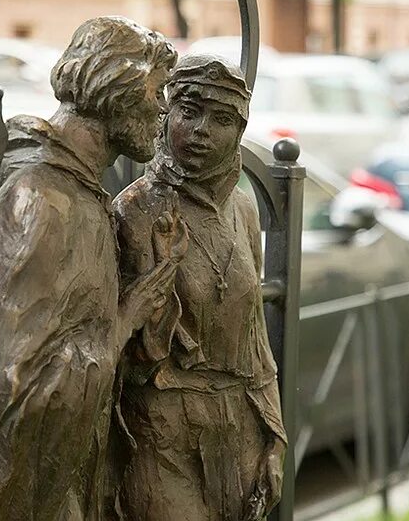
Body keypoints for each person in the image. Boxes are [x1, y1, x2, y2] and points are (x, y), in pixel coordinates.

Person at [0, 16, 184, 521]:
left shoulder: (82, 194)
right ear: (115, 87)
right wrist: (124, 319)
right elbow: (21, 382)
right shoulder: (43, 202)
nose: (163, 111)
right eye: (157, 94)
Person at [112, 54, 286, 521]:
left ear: (239, 132)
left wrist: (275, 437)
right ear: (166, 115)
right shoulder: (135, 211)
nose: (202, 131)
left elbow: (256, 342)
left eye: (222, 119)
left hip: (239, 429)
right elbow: (121, 345)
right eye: (189, 111)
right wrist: (162, 273)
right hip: (164, 431)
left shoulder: (244, 210)